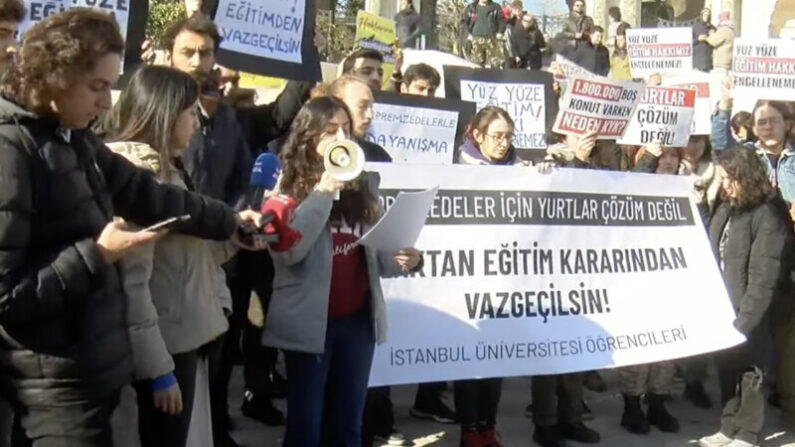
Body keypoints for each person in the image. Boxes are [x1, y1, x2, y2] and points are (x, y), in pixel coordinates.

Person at [0, 9, 262, 446]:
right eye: (98, 87)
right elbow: (7, 295)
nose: (106, 103)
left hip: (93, 376)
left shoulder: (73, 136)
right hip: (51, 392)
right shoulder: (11, 148)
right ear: (55, 77)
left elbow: (149, 194)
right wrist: (98, 255)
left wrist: (228, 222)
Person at [262, 96, 422, 447]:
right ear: (309, 137)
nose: (340, 139)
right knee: (306, 429)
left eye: (345, 131)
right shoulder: (283, 186)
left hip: (357, 324)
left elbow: (378, 259)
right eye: (329, 131)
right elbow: (288, 252)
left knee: (348, 425)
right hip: (310, 327)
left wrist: (403, 258)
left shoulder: (361, 187)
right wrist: (323, 192)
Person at [103, 65, 239, 447]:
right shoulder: (140, 178)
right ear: (164, 112)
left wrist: (234, 241)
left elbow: (187, 259)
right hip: (162, 352)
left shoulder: (168, 172)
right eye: (191, 113)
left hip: (182, 343)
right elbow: (134, 284)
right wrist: (159, 370)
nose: (197, 123)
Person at [697, 147, 794, 447]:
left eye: (730, 178)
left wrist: (746, 320)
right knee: (727, 370)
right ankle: (728, 427)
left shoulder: (766, 213)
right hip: (723, 305)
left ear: (746, 176)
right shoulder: (726, 206)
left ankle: (748, 433)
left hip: (753, 310)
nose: (725, 185)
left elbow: (764, 275)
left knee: (752, 374)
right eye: (722, 178)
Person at [712, 77, 795, 204]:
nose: (768, 127)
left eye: (774, 121)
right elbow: (721, 146)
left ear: (787, 125)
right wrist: (725, 104)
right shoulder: (748, 154)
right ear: (755, 130)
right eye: (762, 122)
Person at [328, 76, 392, 163]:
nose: (370, 115)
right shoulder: (315, 153)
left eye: (371, 106)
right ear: (338, 105)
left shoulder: (378, 156)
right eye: (362, 106)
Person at [462, 0, 506, 68]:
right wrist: (467, 34)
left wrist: (500, 32)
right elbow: (464, 22)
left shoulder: (495, 7)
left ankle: (493, 78)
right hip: (475, 39)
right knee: (476, 65)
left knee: (495, 64)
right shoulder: (471, 7)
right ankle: (477, 78)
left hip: (492, 39)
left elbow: (502, 21)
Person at [702, 12, 735, 78]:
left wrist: (706, 38)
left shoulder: (724, 30)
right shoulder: (730, 30)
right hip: (727, 61)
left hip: (722, 62)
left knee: (721, 82)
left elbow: (714, 41)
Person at [693, 8, 715, 73]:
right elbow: (689, 42)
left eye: (708, 15)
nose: (706, 17)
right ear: (701, 16)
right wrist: (698, 39)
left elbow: (716, 42)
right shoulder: (695, 27)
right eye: (705, 15)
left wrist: (711, 37)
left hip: (708, 60)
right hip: (697, 59)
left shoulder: (712, 28)